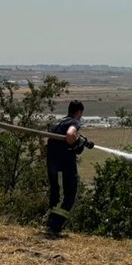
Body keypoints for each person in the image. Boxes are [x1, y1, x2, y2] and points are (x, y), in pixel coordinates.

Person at [45, 99, 92, 238]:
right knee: (67, 196)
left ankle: (52, 225)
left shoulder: (59, 123)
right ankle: (54, 225)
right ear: (79, 112)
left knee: (56, 194)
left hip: (53, 165)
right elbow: (70, 136)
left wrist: (79, 143)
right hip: (63, 166)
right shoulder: (74, 122)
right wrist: (78, 142)